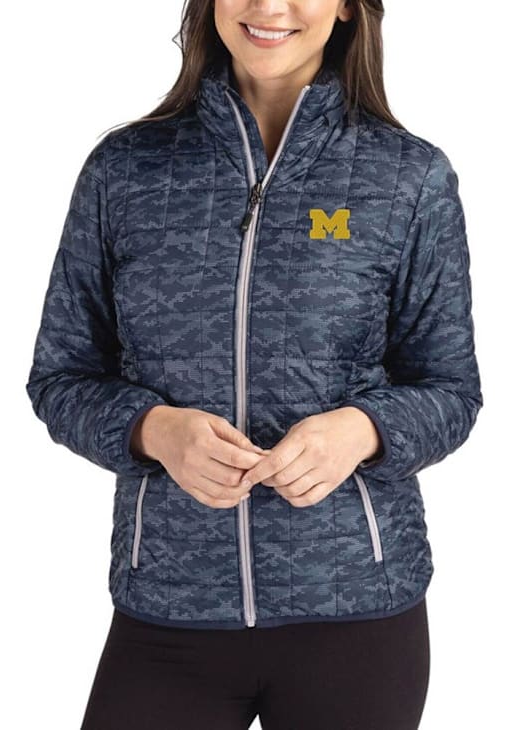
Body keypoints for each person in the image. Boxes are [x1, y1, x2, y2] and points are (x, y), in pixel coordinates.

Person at [25, 1, 483, 728]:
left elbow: (451, 389)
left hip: (356, 614)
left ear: (345, 7)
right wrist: (153, 430)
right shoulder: (125, 170)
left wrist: (362, 430)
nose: (269, 6)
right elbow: (60, 376)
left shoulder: (409, 177)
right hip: (169, 605)